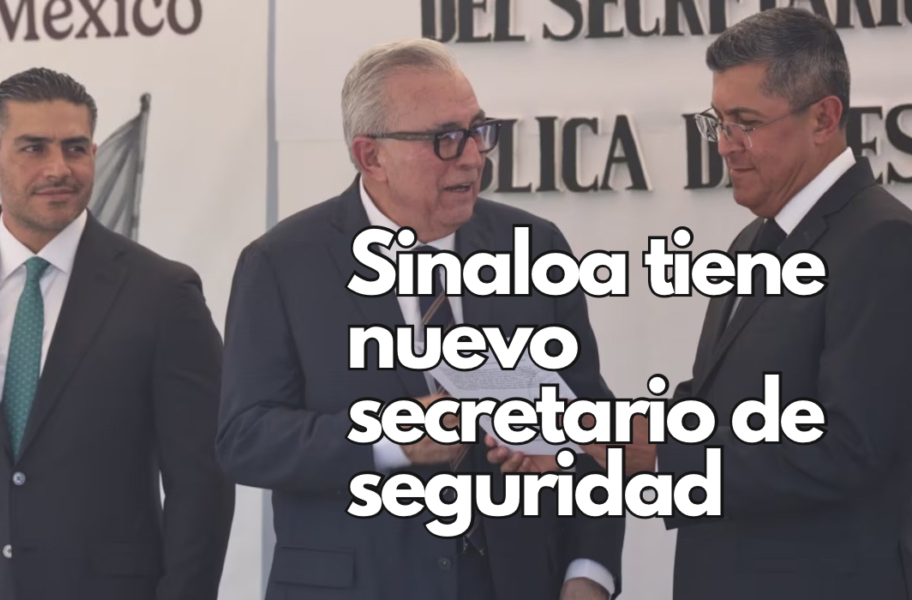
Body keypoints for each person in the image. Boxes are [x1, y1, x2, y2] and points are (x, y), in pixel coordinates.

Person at [216, 39, 624, 600]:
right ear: (371, 157)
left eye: (478, 131)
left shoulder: (533, 248)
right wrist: (393, 438)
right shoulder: (283, 262)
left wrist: (589, 572)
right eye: (445, 139)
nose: (473, 157)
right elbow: (246, 438)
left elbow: (593, 424)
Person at [573, 8, 912, 600]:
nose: (726, 146)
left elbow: (848, 447)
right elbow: (723, 403)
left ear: (824, 118)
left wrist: (664, 455)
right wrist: (600, 439)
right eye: (719, 122)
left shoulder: (883, 241)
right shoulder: (754, 239)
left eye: (746, 124)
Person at [0, 67, 235, 600]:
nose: (59, 168)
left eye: (76, 148)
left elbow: (202, 480)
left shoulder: (163, 293)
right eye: (34, 148)